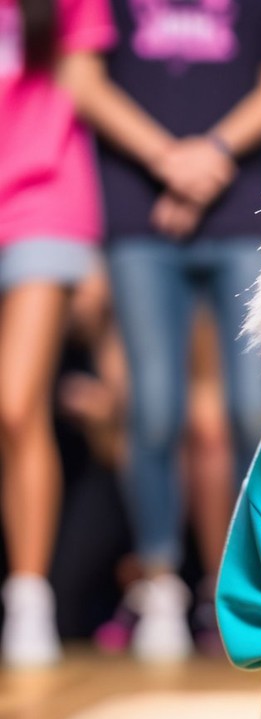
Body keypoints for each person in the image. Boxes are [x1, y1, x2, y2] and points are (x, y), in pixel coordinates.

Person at [87, 0, 261, 662]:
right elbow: (81, 77)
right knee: (152, 407)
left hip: (241, 212)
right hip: (137, 211)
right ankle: (158, 584)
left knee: (253, 408)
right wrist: (168, 159)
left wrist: (209, 155)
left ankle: (249, 585)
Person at [0, 0, 116, 667]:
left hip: (44, 200)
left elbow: (83, 89)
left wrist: (95, 259)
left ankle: (28, 597)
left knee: (18, 406)